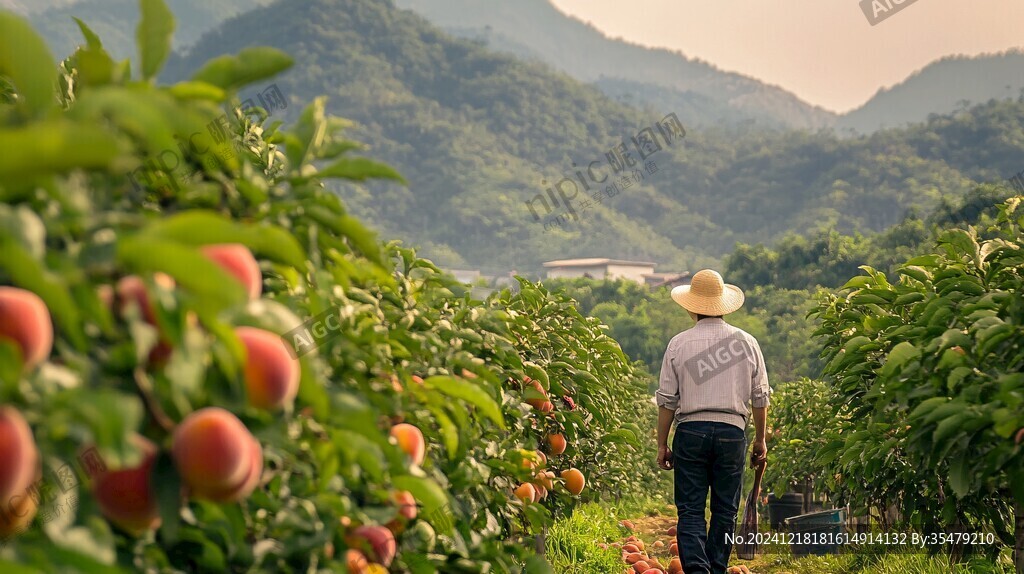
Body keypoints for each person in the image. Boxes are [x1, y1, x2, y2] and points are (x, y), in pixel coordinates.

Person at [655, 269, 771, 574]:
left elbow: (667, 400)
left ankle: (697, 570)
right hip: (732, 432)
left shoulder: (678, 344)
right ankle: (715, 568)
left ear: (691, 306)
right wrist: (760, 440)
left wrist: (661, 443)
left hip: (690, 431)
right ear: (723, 305)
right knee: (725, 509)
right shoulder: (746, 342)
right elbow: (760, 397)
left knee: (690, 509)